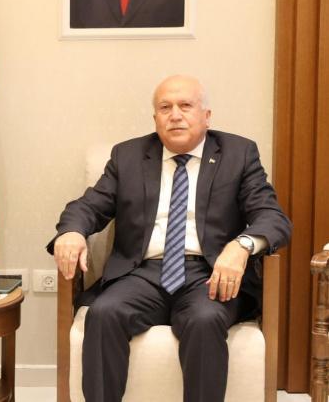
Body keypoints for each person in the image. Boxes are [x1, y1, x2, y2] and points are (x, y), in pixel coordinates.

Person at [47, 75, 292, 402]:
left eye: (185, 105)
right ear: (155, 118)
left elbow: (272, 217)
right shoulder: (128, 156)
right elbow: (88, 206)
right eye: (165, 107)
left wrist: (241, 246)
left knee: (204, 320)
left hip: (210, 275)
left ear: (206, 116)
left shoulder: (239, 153)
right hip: (142, 274)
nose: (175, 115)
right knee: (104, 313)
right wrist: (72, 231)